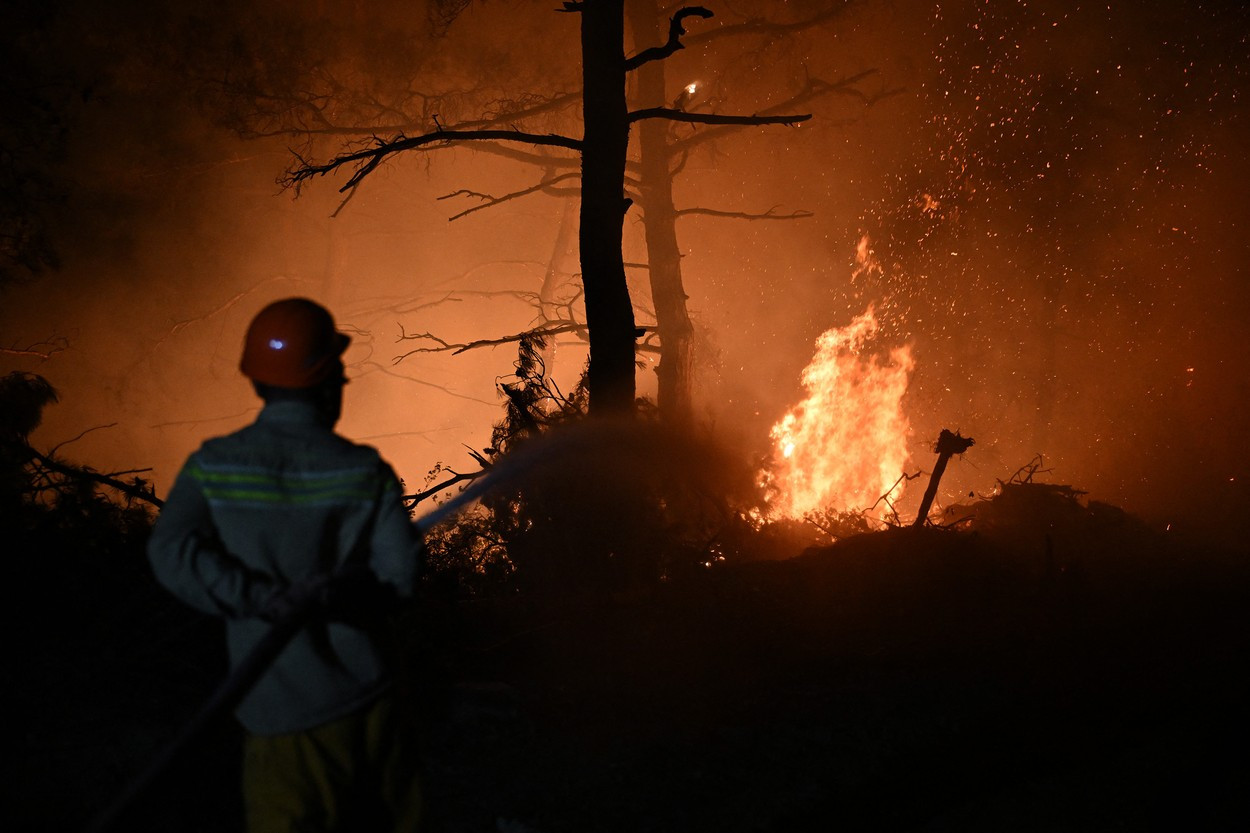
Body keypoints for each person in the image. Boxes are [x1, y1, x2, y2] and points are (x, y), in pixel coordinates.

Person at [147, 297, 424, 832]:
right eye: (340, 373)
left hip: (281, 709)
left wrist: (258, 598)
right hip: (374, 707)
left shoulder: (215, 465)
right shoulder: (364, 471)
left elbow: (170, 549)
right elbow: (402, 578)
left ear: (256, 381)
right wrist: (339, 593)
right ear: (328, 380)